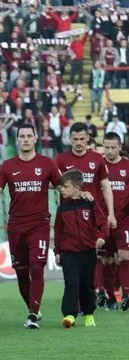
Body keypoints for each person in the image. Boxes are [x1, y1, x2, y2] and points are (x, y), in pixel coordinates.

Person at [0, 124, 62, 329]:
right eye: (22, 136)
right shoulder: (7, 166)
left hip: (40, 223)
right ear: (17, 140)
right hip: (16, 224)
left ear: (36, 138)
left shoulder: (47, 164)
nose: (26, 139)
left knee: (37, 267)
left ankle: (32, 314)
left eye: (30, 135)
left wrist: (81, 194)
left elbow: (63, 186)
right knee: (20, 271)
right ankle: (33, 307)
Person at [55, 122, 117, 310]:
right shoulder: (61, 159)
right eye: (75, 139)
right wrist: (74, 192)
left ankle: (95, 297)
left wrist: (111, 214)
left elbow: (106, 186)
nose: (79, 143)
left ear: (88, 138)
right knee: (74, 265)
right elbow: (56, 184)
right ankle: (78, 305)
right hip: (69, 217)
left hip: (91, 217)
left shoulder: (97, 159)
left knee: (100, 259)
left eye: (82, 139)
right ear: (70, 139)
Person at [54, 169, 108, 328]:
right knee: (71, 284)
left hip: (88, 252)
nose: (62, 189)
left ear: (76, 188)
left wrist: (102, 238)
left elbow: (102, 223)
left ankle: (89, 314)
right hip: (69, 253)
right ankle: (69, 315)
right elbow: (58, 231)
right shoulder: (62, 209)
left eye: (65, 186)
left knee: (87, 285)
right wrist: (57, 251)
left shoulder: (90, 204)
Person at [101, 132, 129, 311]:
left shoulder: (127, 166)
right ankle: (110, 297)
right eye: (107, 147)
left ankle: (126, 294)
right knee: (106, 259)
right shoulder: (99, 166)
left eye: (113, 147)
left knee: (125, 255)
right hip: (103, 220)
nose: (110, 151)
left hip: (125, 219)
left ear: (119, 147)